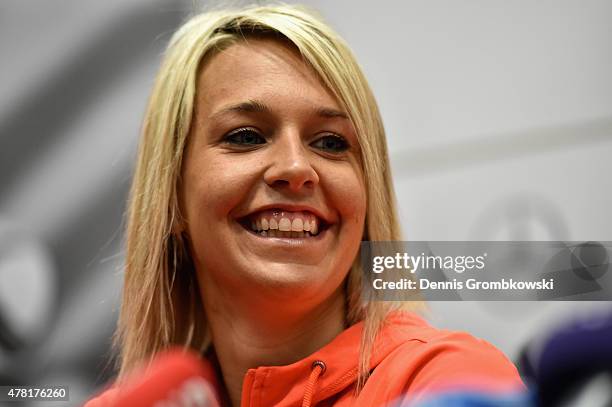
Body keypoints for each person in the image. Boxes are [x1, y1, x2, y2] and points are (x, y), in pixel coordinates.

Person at [85, 4, 524, 407]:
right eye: (246, 136)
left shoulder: (446, 381)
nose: (296, 168)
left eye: (331, 143)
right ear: (173, 193)